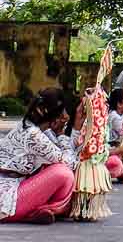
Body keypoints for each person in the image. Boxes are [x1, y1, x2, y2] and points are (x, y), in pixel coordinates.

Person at [0, 89, 76, 224]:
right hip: (6, 200)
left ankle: (37, 211)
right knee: (63, 173)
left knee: (56, 169)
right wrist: (62, 135)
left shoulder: (35, 128)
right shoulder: (33, 135)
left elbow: (63, 151)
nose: (66, 117)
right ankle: (40, 210)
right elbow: (71, 163)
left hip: (14, 188)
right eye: (63, 112)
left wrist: (73, 132)